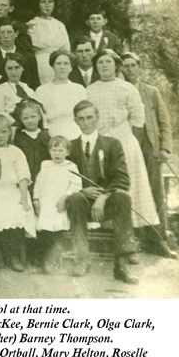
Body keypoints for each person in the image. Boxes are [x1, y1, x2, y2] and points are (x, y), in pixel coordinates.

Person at [87, 50, 174, 256]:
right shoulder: (90, 90)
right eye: (100, 62)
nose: (105, 66)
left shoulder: (127, 88)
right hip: (101, 143)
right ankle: (116, 241)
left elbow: (137, 118)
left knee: (132, 189)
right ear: (96, 66)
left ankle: (135, 241)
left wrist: (121, 134)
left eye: (109, 62)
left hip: (125, 142)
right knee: (107, 189)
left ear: (116, 66)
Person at [65, 101, 138, 283]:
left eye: (90, 117)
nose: (86, 122)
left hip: (107, 203)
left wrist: (104, 196)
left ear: (97, 118)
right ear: (76, 121)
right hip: (81, 203)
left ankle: (121, 263)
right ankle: (81, 259)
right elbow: (62, 178)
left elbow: (122, 179)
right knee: (74, 198)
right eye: (81, 119)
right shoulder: (69, 147)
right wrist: (82, 190)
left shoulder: (112, 144)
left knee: (123, 197)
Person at [121, 52, 173, 220]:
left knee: (155, 187)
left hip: (149, 144)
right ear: (121, 68)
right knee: (132, 187)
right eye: (126, 66)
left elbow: (164, 121)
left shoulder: (151, 92)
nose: (129, 69)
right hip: (128, 143)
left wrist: (165, 147)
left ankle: (159, 232)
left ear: (139, 67)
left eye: (133, 65)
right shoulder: (119, 90)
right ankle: (138, 231)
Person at [0, 114, 35, 272]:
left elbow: (23, 176)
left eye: (4, 132)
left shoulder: (16, 151)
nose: (0, 135)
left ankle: (13, 255)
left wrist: (24, 198)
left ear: (9, 133)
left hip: (13, 189)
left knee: (16, 212)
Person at [33, 135, 80, 274]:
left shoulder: (71, 167)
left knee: (57, 229)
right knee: (44, 230)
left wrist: (65, 198)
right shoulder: (45, 165)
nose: (57, 154)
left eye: (61, 150)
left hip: (59, 204)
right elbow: (38, 183)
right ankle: (44, 258)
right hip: (45, 202)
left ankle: (54, 258)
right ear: (49, 151)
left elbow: (76, 185)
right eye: (54, 150)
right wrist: (36, 199)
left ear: (67, 152)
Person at [35, 50, 87, 139]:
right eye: (58, 63)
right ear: (52, 66)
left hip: (77, 132)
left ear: (71, 67)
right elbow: (41, 118)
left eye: (66, 63)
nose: (62, 67)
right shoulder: (42, 90)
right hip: (52, 133)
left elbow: (85, 114)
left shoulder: (79, 89)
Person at [27, 0, 71, 85]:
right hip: (40, 63)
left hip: (59, 63)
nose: (47, 5)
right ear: (38, 5)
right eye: (43, 2)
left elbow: (66, 49)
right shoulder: (33, 24)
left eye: (50, 2)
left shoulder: (59, 25)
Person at [0, 18, 40, 90]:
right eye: (2, 32)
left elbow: (35, 85)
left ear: (16, 34)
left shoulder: (28, 57)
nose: (6, 36)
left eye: (9, 32)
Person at [12, 99, 51, 185]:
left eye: (33, 116)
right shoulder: (19, 138)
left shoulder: (46, 136)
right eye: (26, 118)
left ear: (39, 116)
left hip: (45, 178)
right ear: (21, 119)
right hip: (26, 178)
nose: (30, 120)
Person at [0, 53, 36, 123]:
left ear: (23, 68)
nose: (14, 72)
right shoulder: (0, 90)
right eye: (10, 68)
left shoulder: (29, 90)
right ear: (5, 69)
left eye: (17, 67)